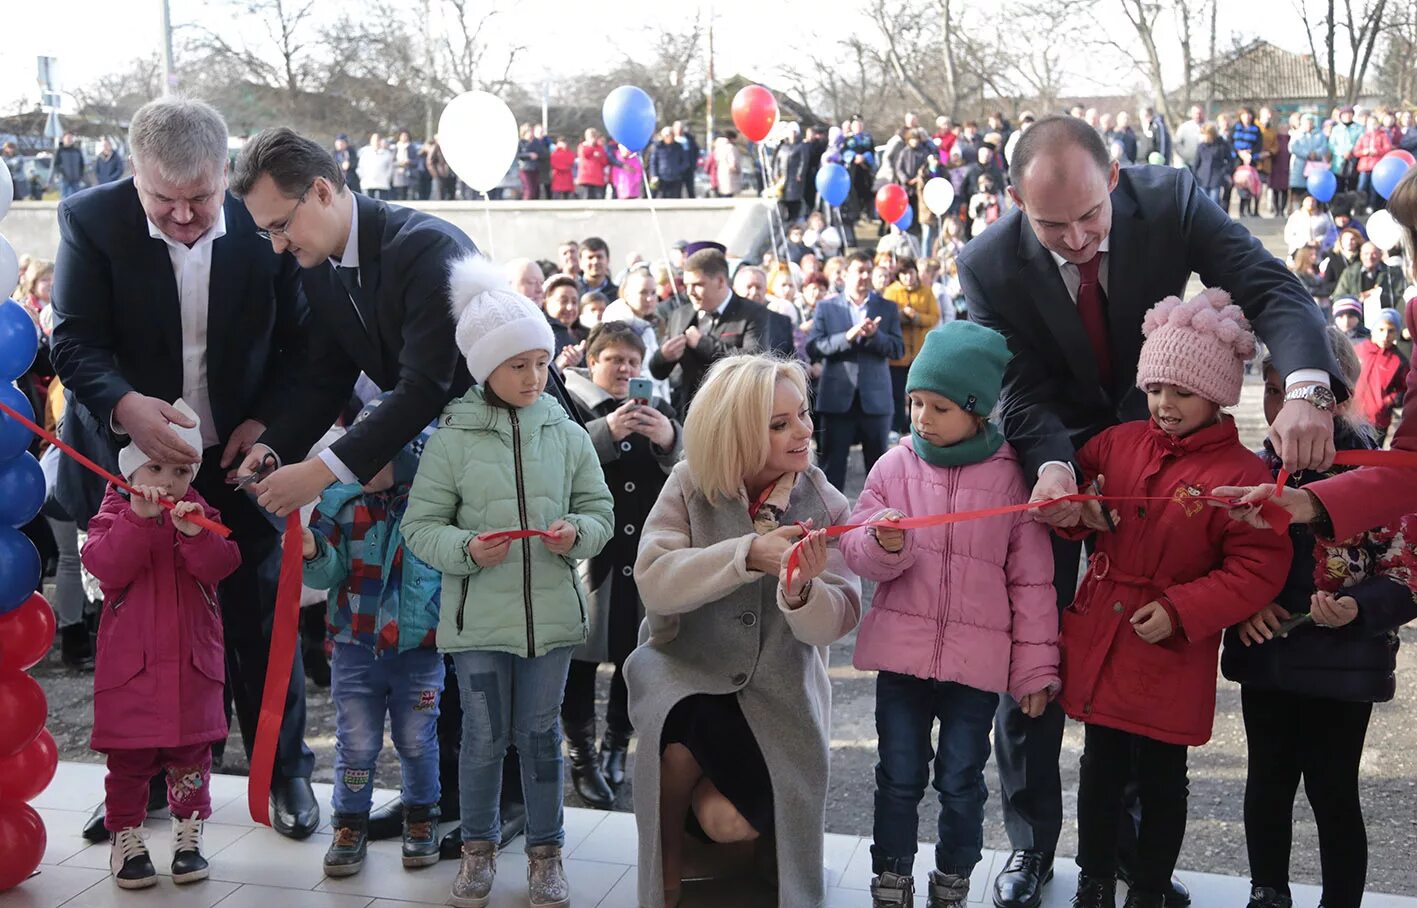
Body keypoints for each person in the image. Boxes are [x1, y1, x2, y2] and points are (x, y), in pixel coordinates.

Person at [958, 114, 1340, 908]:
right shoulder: (987, 262)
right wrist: (1059, 468)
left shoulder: (1170, 202)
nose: (1075, 239)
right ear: (1011, 201)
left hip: (1173, 449)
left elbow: (1268, 286)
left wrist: (1305, 388)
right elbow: (1016, 387)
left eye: (1089, 216)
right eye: (1049, 224)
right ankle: (1030, 845)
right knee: (1032, 645)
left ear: (1117, 179)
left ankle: (1129, 856)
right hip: (1059, 456)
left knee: (1144, 663)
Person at [49, 98, 319, 843]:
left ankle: (284, 767)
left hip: (239, 458)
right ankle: (147, 785)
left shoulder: (262, 223)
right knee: (144, 640)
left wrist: (269, 425)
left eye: (198, 198)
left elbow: (305, 346)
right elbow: (73, 342)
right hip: (130, 469)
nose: (182, 217)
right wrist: (124, 407)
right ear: (133, 174)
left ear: (223, 174)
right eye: (161, 200)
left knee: (257, 622)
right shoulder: (89, 219)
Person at [1058, 290, 1290, 908]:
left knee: (1163, 776)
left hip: (1170, 644)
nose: (1164, 404)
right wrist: (1079, 512)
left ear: (1215, 396)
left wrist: (1185, 610)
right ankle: (1095, 879)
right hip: (1107, 632)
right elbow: (1072, 491)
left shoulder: (1243, 475)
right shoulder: (1117, 443)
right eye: (1156, 388)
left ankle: (1151, 887)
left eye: (1181, 392)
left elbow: (1257, 565)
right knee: (1100, 768)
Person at [402, 256, 613, 908]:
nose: (532, 376)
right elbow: (420, 528)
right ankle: (478, 849)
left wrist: (575, 534)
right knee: (484, 739)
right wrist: (465, 548)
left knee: (541, 738)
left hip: (551, 619)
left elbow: (600, 513)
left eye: (540, 362)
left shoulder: (568, 434)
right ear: (483, 367)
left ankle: (546, 855)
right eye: (515, 363)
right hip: (477, 626)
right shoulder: (452, 440)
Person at [629, 355, 862, 908]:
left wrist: (800, 591)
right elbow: (655, 582)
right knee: (677, 740)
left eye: (802, 414)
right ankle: (663, 881)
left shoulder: (826, 501)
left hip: (780, 697)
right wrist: (747, 554)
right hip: (685, 674)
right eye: (779, 424)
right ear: (733, 434)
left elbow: (843, 614)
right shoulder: (688, 484)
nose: (803, 430)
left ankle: (738, 846)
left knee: (726, 819)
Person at [842, 324, 1058, 908]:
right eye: (914, 403)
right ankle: (891, 875)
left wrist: (1036, 670)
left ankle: (953, 879)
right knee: (898, 775)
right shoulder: (892, 467)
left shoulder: (1013, 477)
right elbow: (857, 550)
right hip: (903, 663)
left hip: (974, 670)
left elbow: (1033, 582)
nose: (922, 417)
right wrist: (885, 546)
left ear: (976, 410)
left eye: (938, 406)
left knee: (962, 782)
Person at [1222, 333, 1417, 908]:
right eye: (1274, 391)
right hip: (1267, 658)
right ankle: (1268, 892)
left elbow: (1405, 571)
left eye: (1306, 394)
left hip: (1344, 662)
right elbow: (1223, 557)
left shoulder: (1381, 468)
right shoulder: (1256, 467)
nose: (1284, 408)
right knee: (1267, 786)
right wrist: (1245, 604)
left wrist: (1359, 608)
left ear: (1338, 396)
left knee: (1333, 791)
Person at [82, 405, 242, 889]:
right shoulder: (115, 511)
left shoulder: (198, 512)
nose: (168, 481)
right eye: (155, 467)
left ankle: (187, 837)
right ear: (131, 468)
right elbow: (104, 566)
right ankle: (126, 838)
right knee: (128, 764)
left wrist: (195, 535)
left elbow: (223, 562)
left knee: (191, 756)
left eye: (180, 471)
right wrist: (138, 520)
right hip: (132, 673)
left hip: (192, 668)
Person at [300, 396, 444, 878]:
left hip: (420, 650)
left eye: (376, 453)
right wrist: (313, 548)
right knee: (356, 743)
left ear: (408, 454)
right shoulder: (338, 504)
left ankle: (421, 816)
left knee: (417, 739)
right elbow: (325, 575)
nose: (362, 465)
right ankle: (349, 822)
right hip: (355, 649)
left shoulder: (433, 509)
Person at [560, 322, 682, 810]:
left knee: (635, 660)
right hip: (590, 558)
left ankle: (615, 748)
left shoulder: (661, 408)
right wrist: (605, 432)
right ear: (593, 363)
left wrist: (670, 437)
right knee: (579, 660)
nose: (625, 369)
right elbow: (558, 460)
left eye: (633, 361)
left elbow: (689, 468)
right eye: (615, 360)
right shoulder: (571, 405)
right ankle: (582, 758)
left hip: (644, 558)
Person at [807, 251, 905, 491]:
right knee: (832, 470)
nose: (864, 276)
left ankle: (879, 523)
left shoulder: (887, 307)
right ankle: (831, 525)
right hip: (837, 400)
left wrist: (875, 336)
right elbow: (814, 346)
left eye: (868, 271)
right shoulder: (827, 307)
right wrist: (847, 337)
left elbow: (898, 349)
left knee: (879, 471)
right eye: (859, 271)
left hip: (875, 400)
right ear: (845, 274)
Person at [648, 246, 769, 416]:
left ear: (720, 281)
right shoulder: (680, 315)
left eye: (698, 285)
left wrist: (703, 344)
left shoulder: (753, 313)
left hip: (735, 414)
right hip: (691, 415)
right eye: (686, 285)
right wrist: (663, 356)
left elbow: (753, 363)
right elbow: (658, 372)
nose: (690, 292)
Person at [881, 258, 941, 437]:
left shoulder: (926, 291)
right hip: (897, 354)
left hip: (920, 353)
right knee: (896, 393)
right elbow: (885, 317)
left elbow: (934, 317)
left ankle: (913, 425)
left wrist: (916, 317)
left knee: (918, 392)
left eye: (910, 273)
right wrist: (900, 316)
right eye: (903, 274)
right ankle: (895, 425)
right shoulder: (891, 292)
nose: (908, 277)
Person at [1354, 308, 1408, 439]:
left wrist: (1387, 401)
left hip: (1379, 420)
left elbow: (1405, 388)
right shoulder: (1358, 350)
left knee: (1373, 456)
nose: (1385, 336)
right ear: (1373, 329)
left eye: (1391, 331)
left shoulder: (1398, 360)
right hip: (1353, 417)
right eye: (1381, 329)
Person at [1333, 241, 1406, 324]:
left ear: (1380, 255)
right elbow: (1338, 297)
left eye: (1374, 253)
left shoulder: (1392, 273)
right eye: (1366, 254)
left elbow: (1400, 296)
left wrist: (1378, 296)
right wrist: (1358, 298)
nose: (1369, 257)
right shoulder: (1350, 273)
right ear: (1361, 255)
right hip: (1357, 322)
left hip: (1385, 321)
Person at [577, 236, 618, 301]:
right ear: (580, 263)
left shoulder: (618, 295)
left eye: (599, 257)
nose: (595, 262)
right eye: (590, 257)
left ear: (607, 261)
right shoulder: (573, 292)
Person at [576, 129, 610, 200]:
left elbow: (604, 161)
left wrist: (599, 156)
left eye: (594, 136)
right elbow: (584, 154)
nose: (593, 139)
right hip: (586, 178)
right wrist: (591, 147)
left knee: (599, 199)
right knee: (586, 198)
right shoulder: (582, 146)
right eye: (591, 136)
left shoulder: (600, 148)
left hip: (598, 178)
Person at [357, 133, 393, 200]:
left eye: (378, 140)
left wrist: (387, 178)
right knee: (368, 206)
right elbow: (360, 167)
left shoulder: (387, 154)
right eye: (374, 140)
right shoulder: (365, 153)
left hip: (383, 184)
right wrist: (363, 177)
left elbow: (390, 169)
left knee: (382, 206)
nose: (376, 142)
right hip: (367, 183)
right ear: (371, 141)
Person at [56, 132, 87, 197]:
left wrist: (80, 175)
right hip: (64, 179)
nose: (69, 140)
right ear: (63, 139)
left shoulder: (77, 150)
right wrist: (62, 174)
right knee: (65, 199)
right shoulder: (60, 150)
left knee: (76, 198)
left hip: (76, 179)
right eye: (67, 138)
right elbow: (56, 165)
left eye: (70, 138)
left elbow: (81, 164)